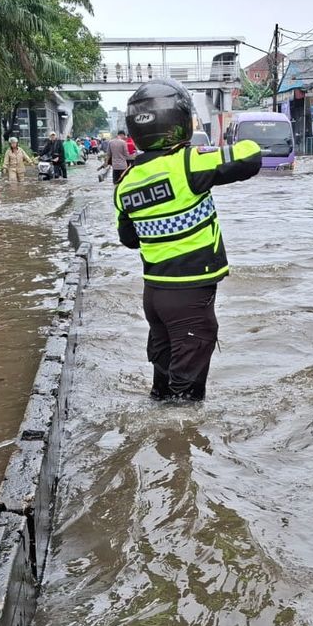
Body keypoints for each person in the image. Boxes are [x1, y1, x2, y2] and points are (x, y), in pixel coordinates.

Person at [114, 79, 262, 402]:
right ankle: (178, 444)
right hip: (189, 295)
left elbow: (128, 239)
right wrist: (208, 150)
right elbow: (250, 157)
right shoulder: (188, 163)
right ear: (180, 123)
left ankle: (158, 440)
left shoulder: (125, 184)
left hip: (154, 295)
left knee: (163, 381)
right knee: (186, 399)